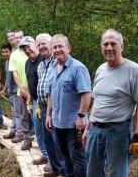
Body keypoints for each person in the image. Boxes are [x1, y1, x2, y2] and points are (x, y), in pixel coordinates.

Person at [83, 29, 138, 177]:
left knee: (116, 173)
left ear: (122, 46)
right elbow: (97, 101)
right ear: (101, 47)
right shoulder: (100, 69)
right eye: (105, 44)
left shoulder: (133, 69)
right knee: (92, 172)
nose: (109, 48)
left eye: (113, 44)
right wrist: (88, 128)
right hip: (95, 130)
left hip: (118, 131)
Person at [46, 34, 91, 177]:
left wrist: (81, 116)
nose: (57, 49)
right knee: (65, 158)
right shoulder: (52, 69)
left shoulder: (78, 68)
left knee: (78, 159)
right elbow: (50, 95)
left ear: (68, 48)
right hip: (57, 123)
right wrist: (48, 115)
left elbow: (86, 94)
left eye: (60, 46)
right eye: (54, 47)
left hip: (74, 125)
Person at [36, 33, 65, 177]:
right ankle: (55, 168)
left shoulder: (58, 62)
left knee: (58, 142)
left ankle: (62, 171)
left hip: (55, 108)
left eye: (43, 43)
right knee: (47, 141)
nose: (41, 47)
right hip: (43, 107)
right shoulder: (41, 65)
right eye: (39, 44)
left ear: (51, 44)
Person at [23, 37, 48, 165]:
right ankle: (45, 154)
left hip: (46, 101)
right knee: (38, 130)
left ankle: (53, 159)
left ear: (35, 45)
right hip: (34, 100)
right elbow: (30, 82)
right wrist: (29, 99)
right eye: (24, 48)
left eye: (29, 46)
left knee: (48, 130)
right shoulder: (27, 63)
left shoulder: (43, 60)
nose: (27, 50)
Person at [9, 35, 34, 150]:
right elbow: (15, 73)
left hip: (34, 90)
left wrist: (29, 89)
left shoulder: (31, 53)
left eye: (21, 37)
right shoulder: (14, 55)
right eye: (16, 37)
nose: (18, 39)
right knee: (24, 116)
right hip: (21, 90)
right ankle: (27, 139)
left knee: (36, 117)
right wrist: (23, 89)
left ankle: (37, 139)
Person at [0, 43, 19, 139]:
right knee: (14, 112)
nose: (5, 53)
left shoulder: (15, 61)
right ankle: (13, 131)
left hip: (17, 92)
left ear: (11, 51)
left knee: (18, 113)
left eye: (6, 51)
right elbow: (7, 78)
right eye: (3, 52)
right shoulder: (6, 63)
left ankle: (19, 133)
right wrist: (4, 90)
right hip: (10, 92)